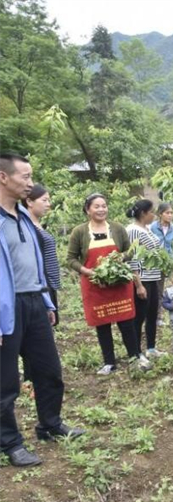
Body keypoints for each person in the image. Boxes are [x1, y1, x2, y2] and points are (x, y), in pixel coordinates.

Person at [0, 152, 84, 467]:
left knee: (49, 370)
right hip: (5, 310)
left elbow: (33, 266)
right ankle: (9, 442)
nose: (30, 183)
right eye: (25, 176)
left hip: (34, 302)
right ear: (3, 177)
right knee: (5, 382)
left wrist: (46, 301)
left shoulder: (23, 216)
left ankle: (50, 424)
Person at [67, 193, 151, 374]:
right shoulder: (79, 232)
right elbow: (71, 259)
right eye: (96, 206)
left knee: (126, 322)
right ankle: (109, 362)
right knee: (102, 323)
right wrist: (87, 271)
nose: (101, 209)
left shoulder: (117, 228)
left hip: (119, 284)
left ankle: (134, 357)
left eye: (104, 206)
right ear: (88, 210)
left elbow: (130, 250)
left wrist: (121, 257)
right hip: (95, 285)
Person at [127, 200, 163, 359]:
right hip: (143, 279)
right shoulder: (133, 230)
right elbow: (132, 258)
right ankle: (137, 352)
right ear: (143, 213)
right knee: (139, 317)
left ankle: (151, 348)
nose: (154, 215)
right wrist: (138, 284)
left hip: (153, 277)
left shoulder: (146, 229)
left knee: (152, 314)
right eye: (152, 212)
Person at [23, 184, 61, 327]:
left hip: (49, 285)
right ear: (29, 202)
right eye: (44, 200)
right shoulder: (27, 227)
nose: (48, 204)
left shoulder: (38, 225)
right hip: (41, 285)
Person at [151, 202, 173, 326]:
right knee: (153, 290)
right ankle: (150, 315)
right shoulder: (152, 227)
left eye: (172, 213)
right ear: (160, 214)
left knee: (160, 290)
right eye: (167, 213)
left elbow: (170, 246)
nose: (170, 215)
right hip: (153, 262)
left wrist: (172, 261)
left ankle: (158, 317)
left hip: (166, 263)